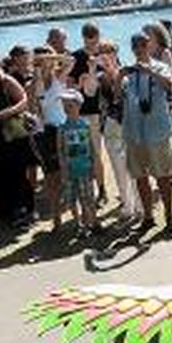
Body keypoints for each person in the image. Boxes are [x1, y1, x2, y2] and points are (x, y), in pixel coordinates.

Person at [121, 32, 172, 232]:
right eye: (135, 47)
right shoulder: (129, 72)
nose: (139, 50)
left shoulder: (161, 66)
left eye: (142, 46)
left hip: (157, 131)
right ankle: (148, 216)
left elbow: (170, 86)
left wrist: (149, 72)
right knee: (140, 177)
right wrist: (118, 77)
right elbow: (116, 96)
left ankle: (170, 214)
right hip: (134, 131)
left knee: (162, 175)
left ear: (149, 47)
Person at [0, 53, 34, 227]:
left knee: (17, 171)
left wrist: (9, 111)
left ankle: (26, 209)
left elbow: (25, 101)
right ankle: (7, 209)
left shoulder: (8, 81)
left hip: (12, 133)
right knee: (1, 170)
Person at [98, 40, 141, 221]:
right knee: (118, 168)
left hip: (129, 123)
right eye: (102, 52)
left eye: (110, 51)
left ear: (116, 53)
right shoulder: (98, 76)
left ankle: (139, 205)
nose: (106, 55)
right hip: (111, 124)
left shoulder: (127, 71)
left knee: (135, 167)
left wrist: (116, 72)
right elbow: (92, 91)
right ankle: (127, 204)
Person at [32, 47, 73, 229]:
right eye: (40, 62)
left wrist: (50, 56)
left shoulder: (59, 77)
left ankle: (74, 214)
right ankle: (56, 218)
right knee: (51, 178)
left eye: (46, 61)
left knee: (68, 175)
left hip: (62, 130)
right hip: (45, 134)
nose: (44, 65)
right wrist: (38, 71)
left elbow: (70, 61)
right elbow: (33, 107)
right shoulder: (35, 84)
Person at [69, 22, 107, 205]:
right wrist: (81, 83)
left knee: (97, 153)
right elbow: (69, 85)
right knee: (83, 155)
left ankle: (101, 189)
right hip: (81, 112)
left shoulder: (105, 55)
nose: (93, 44)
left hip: (99, 112)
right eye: (89, 40)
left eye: (95, 39)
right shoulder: (76, 57)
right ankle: (89, 191)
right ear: (83, 38)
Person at [57, 89, 100, 236]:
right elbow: (60, 150)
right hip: (70, 169)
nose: (66, 108)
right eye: (64, 105)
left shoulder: (85, 125)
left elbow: (93, 147)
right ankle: (78, 224)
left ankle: (92, 222)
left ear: (78, 105)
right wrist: (63, 169)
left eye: (69, 105)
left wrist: (95, 166)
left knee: (88, 196)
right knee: (72, 198)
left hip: (85, 167)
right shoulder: (62, 129)